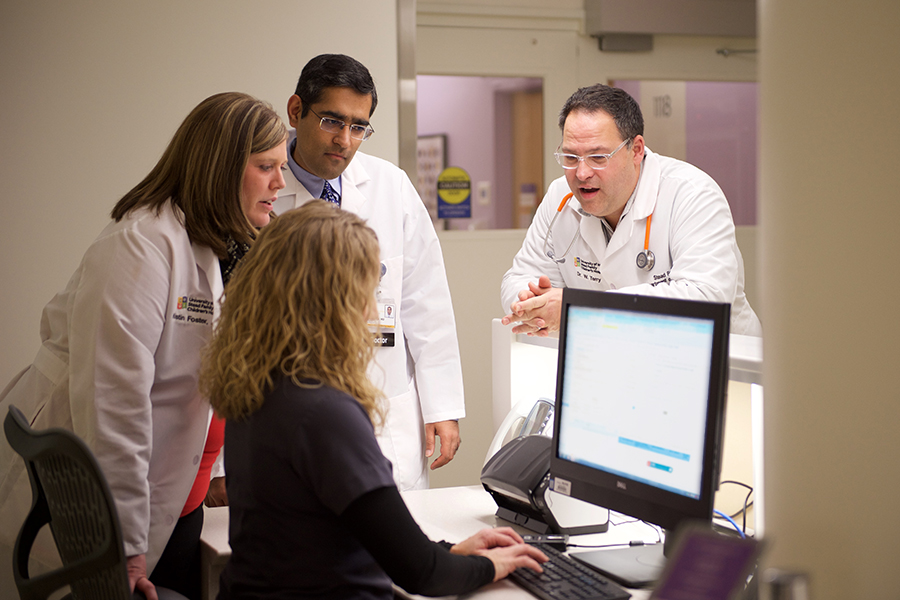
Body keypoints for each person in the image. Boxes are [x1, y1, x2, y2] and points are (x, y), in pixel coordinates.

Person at [0, 92, 288, 600]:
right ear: (221, 168)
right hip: (96, 496)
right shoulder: (140, 245)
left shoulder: (214, 241)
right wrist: (125, 550)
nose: (280, 184)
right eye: (266, 166)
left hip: (174, 494)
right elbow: (115, 403)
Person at [200, 202, 547, 599]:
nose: (372, 308)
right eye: (368, 288)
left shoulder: (259, 386)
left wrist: (451, 552)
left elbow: (351, 539)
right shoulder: (324, 413)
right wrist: (490, 565)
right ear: (337, 302)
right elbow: (424, 575)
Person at [271, 53, 464, 491]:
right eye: (331, 122)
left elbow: (426, 301)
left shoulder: (389, 185)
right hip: (291, 416)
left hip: (384, 416)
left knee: (402, 547)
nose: (345, 140)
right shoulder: (263, 187)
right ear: (296, 111)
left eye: (358, 127)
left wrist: (442, 405)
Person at [501, 84, 762, 337]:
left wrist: (578, 309)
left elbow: (706, 298)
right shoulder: (561, 196)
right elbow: (520, 277)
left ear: (635, 150)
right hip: (618, 355)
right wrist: (531, 305)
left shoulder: (692, 194)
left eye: (598, 158)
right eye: (570, 158)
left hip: (714, 364)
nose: (581, 173)